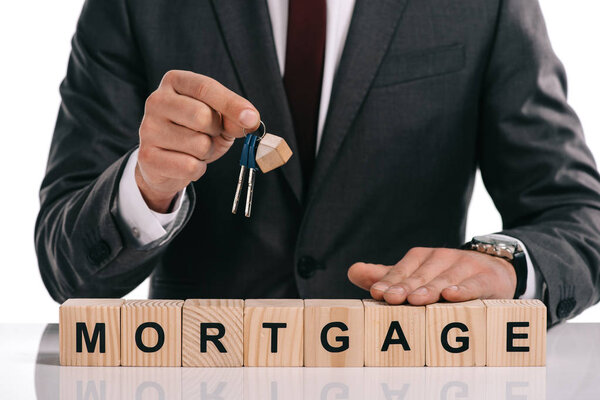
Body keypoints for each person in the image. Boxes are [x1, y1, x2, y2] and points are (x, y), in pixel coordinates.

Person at [35, 0, 600, 327]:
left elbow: (578, 213)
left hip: (409, 371)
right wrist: (146, 186)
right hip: (202, 373)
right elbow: (67, 271)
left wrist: (506, 266)